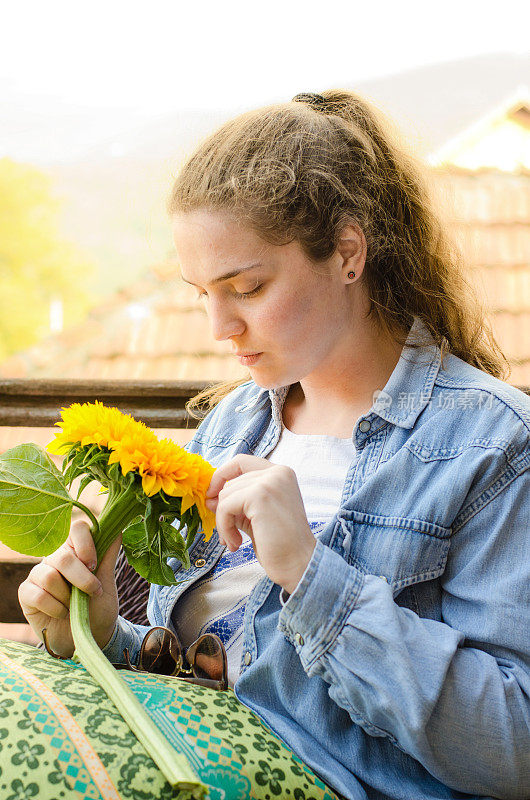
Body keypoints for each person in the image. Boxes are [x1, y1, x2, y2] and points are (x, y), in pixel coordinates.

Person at [19, 90, 530, 800]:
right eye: (202, 292)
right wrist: (101, 634)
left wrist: (309, 573)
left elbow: (514, 748)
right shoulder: (230, 428)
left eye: (248, 288)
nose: (219, 327)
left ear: (348, 252)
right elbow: (217, 673)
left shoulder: (492, 444)